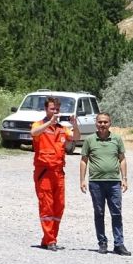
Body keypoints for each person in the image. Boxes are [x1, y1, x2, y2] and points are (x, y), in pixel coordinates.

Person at [30, 96, 80, 251]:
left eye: (57, 109)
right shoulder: (39, 125)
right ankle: (50, 240)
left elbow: (76, 137)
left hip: (59, 173)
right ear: (46, 109)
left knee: (59, 206)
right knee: (47, 206)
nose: (55, 111)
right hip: (44, 172)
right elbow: (33, 133)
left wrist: (75, 125)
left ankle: (49, 239)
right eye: (52, 109)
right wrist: (48, 124)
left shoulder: (61, 128)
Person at [79, 112, 131, 256]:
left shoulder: (117, 139)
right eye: (100, 122)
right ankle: (102, 242)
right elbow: (84, 160)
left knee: (116, 213)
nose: (102, 125)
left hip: (114, 182)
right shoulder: (89, 140)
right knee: (99, 213)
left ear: (110, 123)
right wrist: (82, 180)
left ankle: (119, 244)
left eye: (105, 122)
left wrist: (124, 178)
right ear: (96, 123)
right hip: (96, 183)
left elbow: (122, 159)